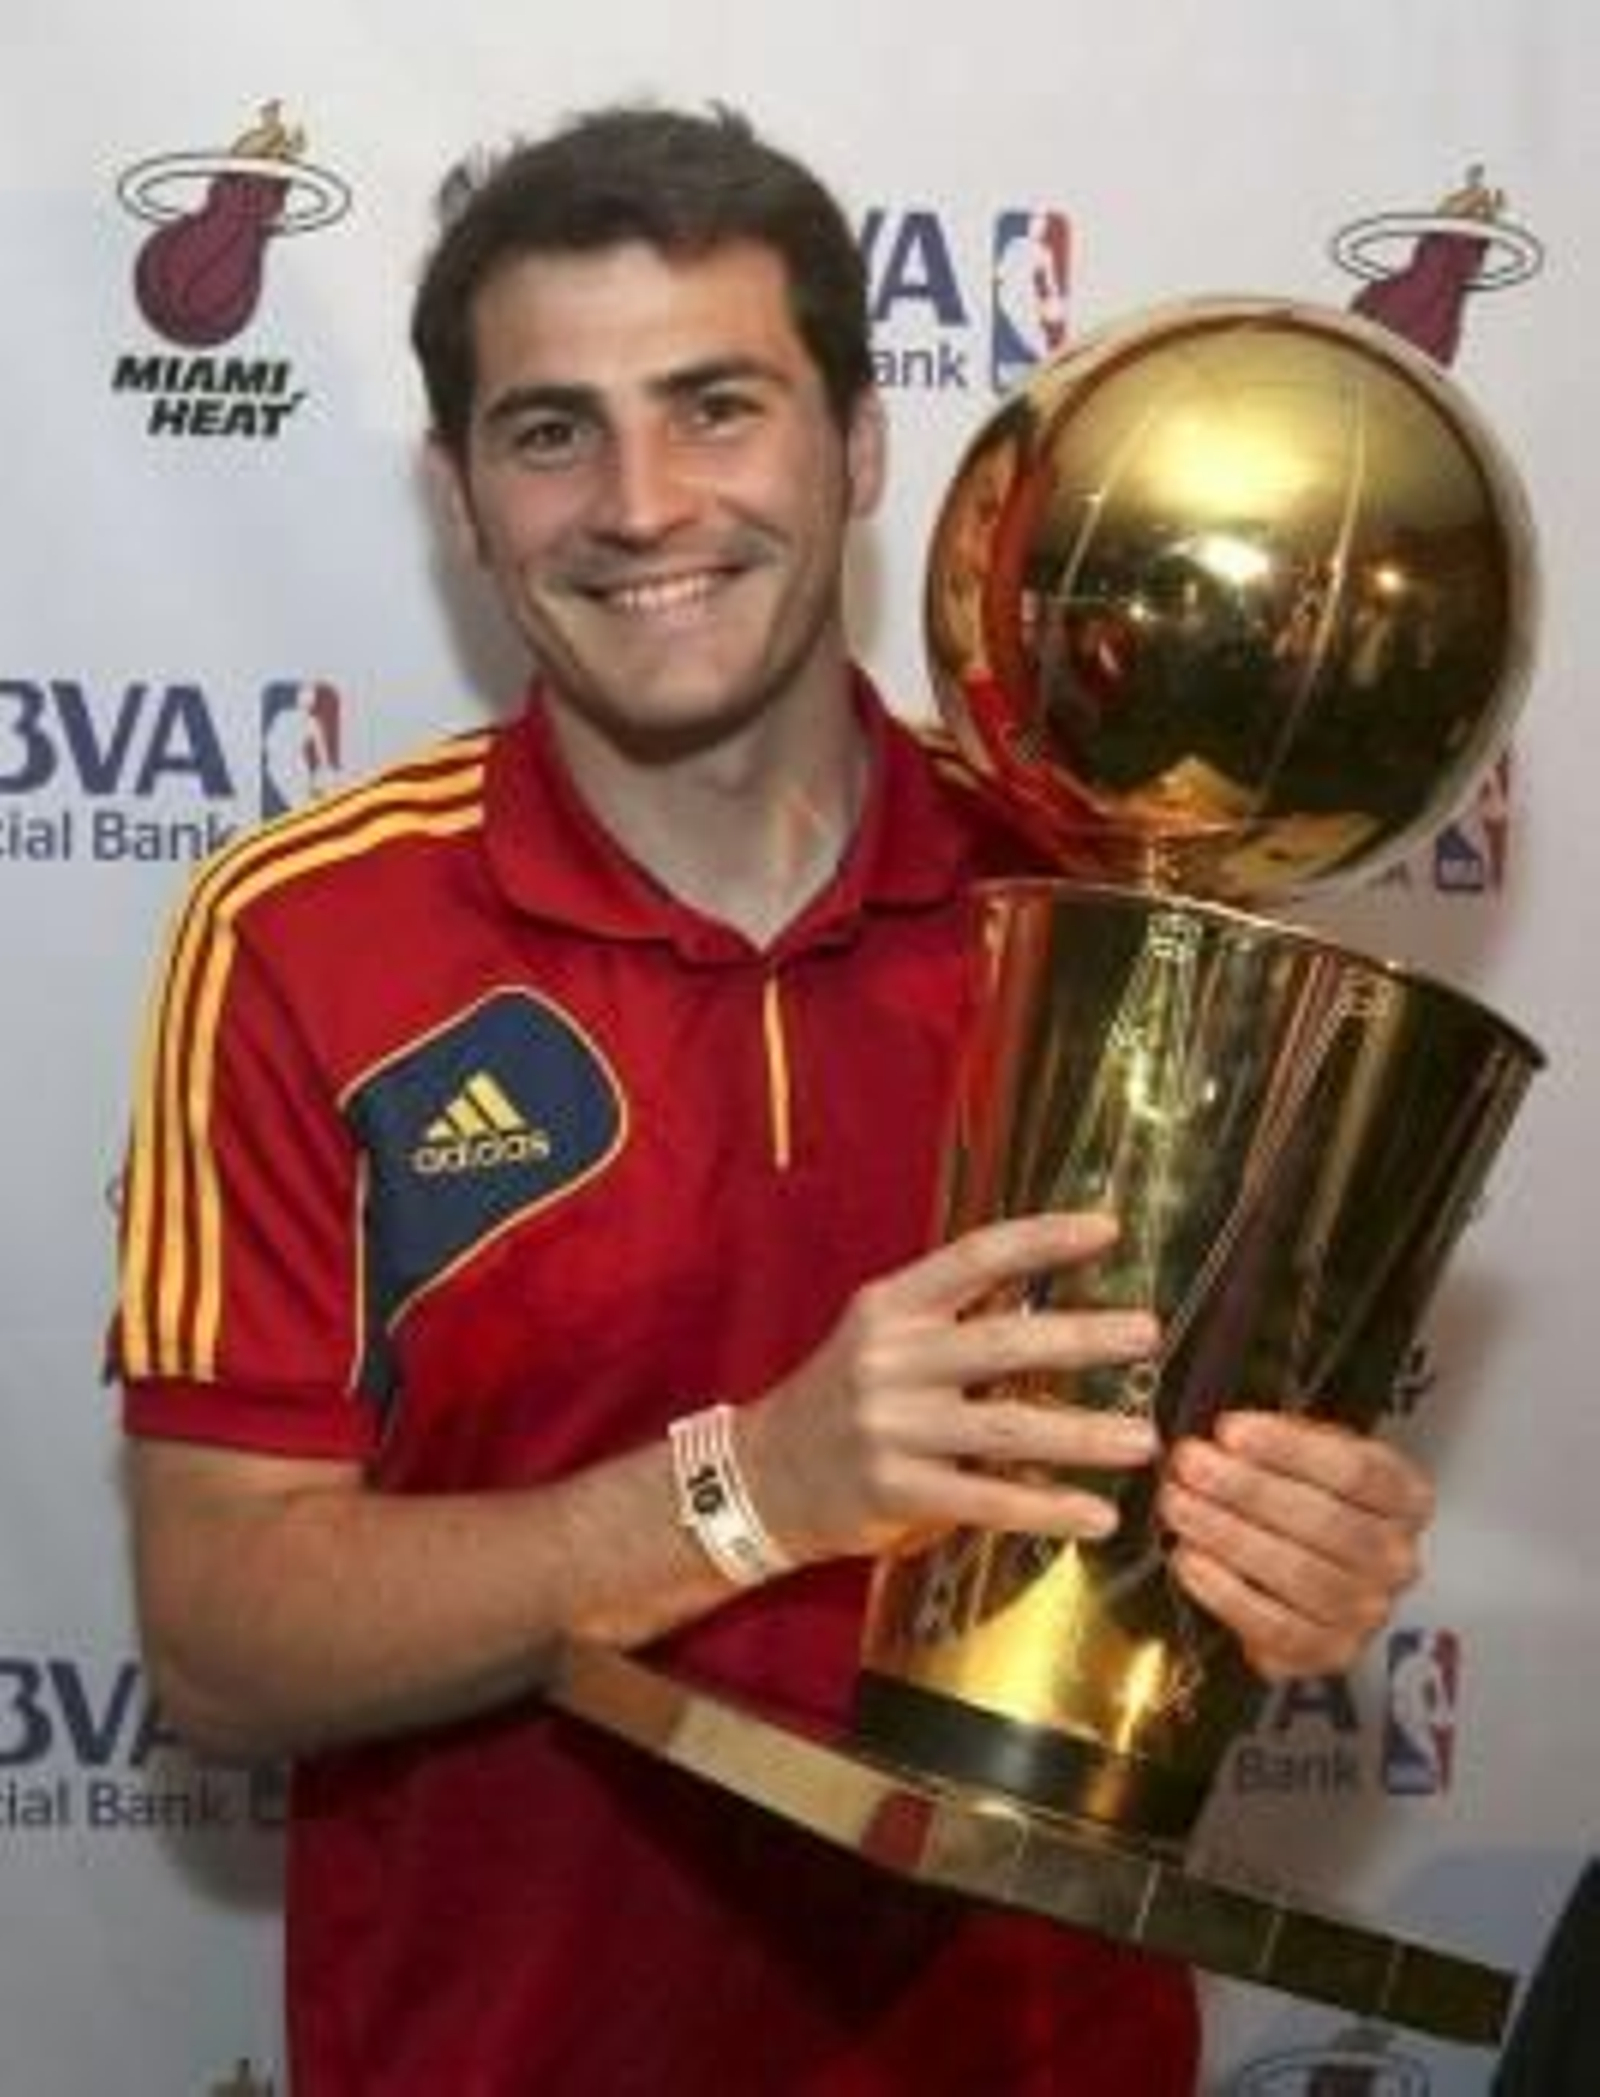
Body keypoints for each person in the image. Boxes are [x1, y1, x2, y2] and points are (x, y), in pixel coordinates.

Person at [117, 104, 1434, 2095]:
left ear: (861, 446)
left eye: (717, 404)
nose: (641, 502)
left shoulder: (1104, 896)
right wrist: (748, 1486)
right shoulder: (307, 934)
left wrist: (1291, 1560)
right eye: (549, 428)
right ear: (459, 496)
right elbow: (221, 1633)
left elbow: (1185, 1532)